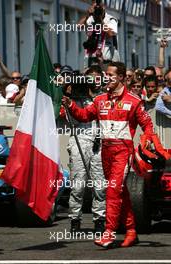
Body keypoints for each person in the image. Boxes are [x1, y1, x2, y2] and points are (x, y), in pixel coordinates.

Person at [62, 62, 154, 248]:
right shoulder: (99, 99)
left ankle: (109, 232)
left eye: (111, 75)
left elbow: (148, 124)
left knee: (112, 190)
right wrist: (70, 104)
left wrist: (148, 140)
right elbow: (84, 116)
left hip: (123, 151)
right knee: (122, 193)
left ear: (121, 77)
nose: (106, 78)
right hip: (105, 151)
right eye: (106, 75)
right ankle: (131, 231)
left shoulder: (134, 100)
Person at [60, 65, 106, 233]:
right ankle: (75, 218)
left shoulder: (106, 96)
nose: (94, 80)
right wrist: (66, 91)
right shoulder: (75, 96)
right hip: (79, 139)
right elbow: (62, 113)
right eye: (90, 77)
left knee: (100, 185)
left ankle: (100, 219)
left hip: (100, 142)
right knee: (78, 185)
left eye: (97, 77)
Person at [78, 0, 119, 67]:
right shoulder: (90, 19)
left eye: (99, 8)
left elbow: (111, 33)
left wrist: (100, 21)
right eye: (95, 8)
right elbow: (79, 26)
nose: (97, 10)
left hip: (106, 60)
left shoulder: (110, 19)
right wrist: (88, 15)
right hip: (91, 58)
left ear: (104, 7)